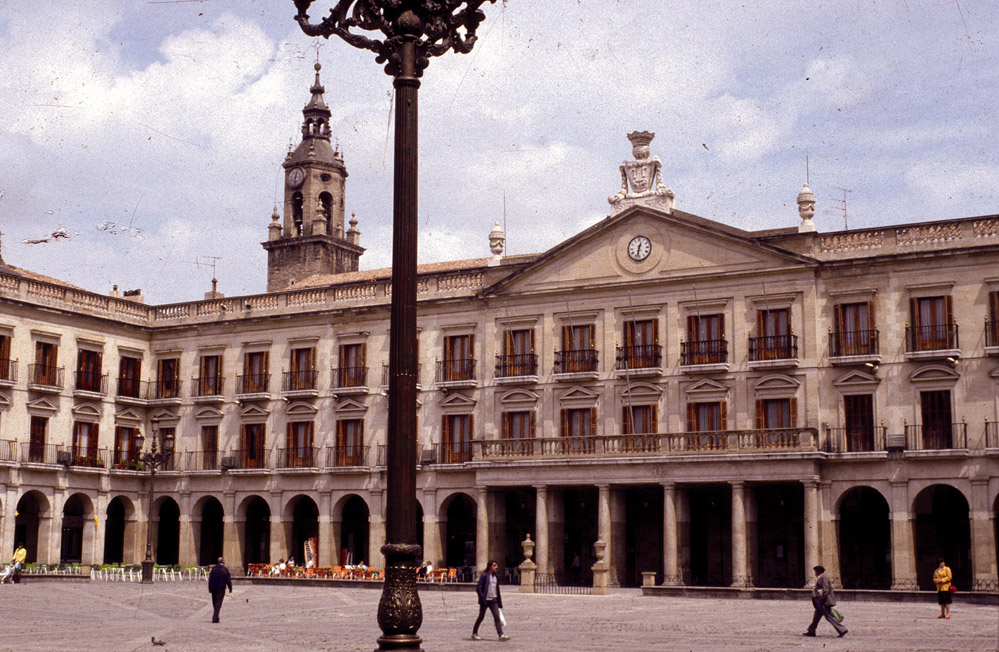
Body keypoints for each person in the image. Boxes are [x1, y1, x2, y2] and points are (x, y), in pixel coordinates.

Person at [803, 565, 847, 638]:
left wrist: (821, 599)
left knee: (829, 616)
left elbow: (826, 590)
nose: (814, 573)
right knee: (816, 617)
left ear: (818, 571)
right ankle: (811, 630)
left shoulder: (824, 577)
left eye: (815, 571)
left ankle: (842, 629)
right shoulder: (821, 577)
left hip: (822, 601)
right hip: (819, 601)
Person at [472, 560, 509, 641]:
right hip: (485, 600)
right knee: (481, 617)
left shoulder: (496, 577)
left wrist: (499, 601)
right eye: (495, 565)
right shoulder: (485, 575)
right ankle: (474, 633)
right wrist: (482, 598)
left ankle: (501, 635)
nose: (497, 567)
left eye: (497, 565)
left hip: (493, 600)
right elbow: (479, 588)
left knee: (497, 617)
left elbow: (497, 590)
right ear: (490, 566)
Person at [207, 557, 232, 624]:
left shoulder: (213, 569)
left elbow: (210, 579)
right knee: (218, 603)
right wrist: (230, 588)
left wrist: (209, 588)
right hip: (221, 588)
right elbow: (228, 580)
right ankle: (215, 618)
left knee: (215, 602)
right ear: (223, 562)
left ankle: (216, 616)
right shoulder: (225, 569)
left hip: (213, 588)